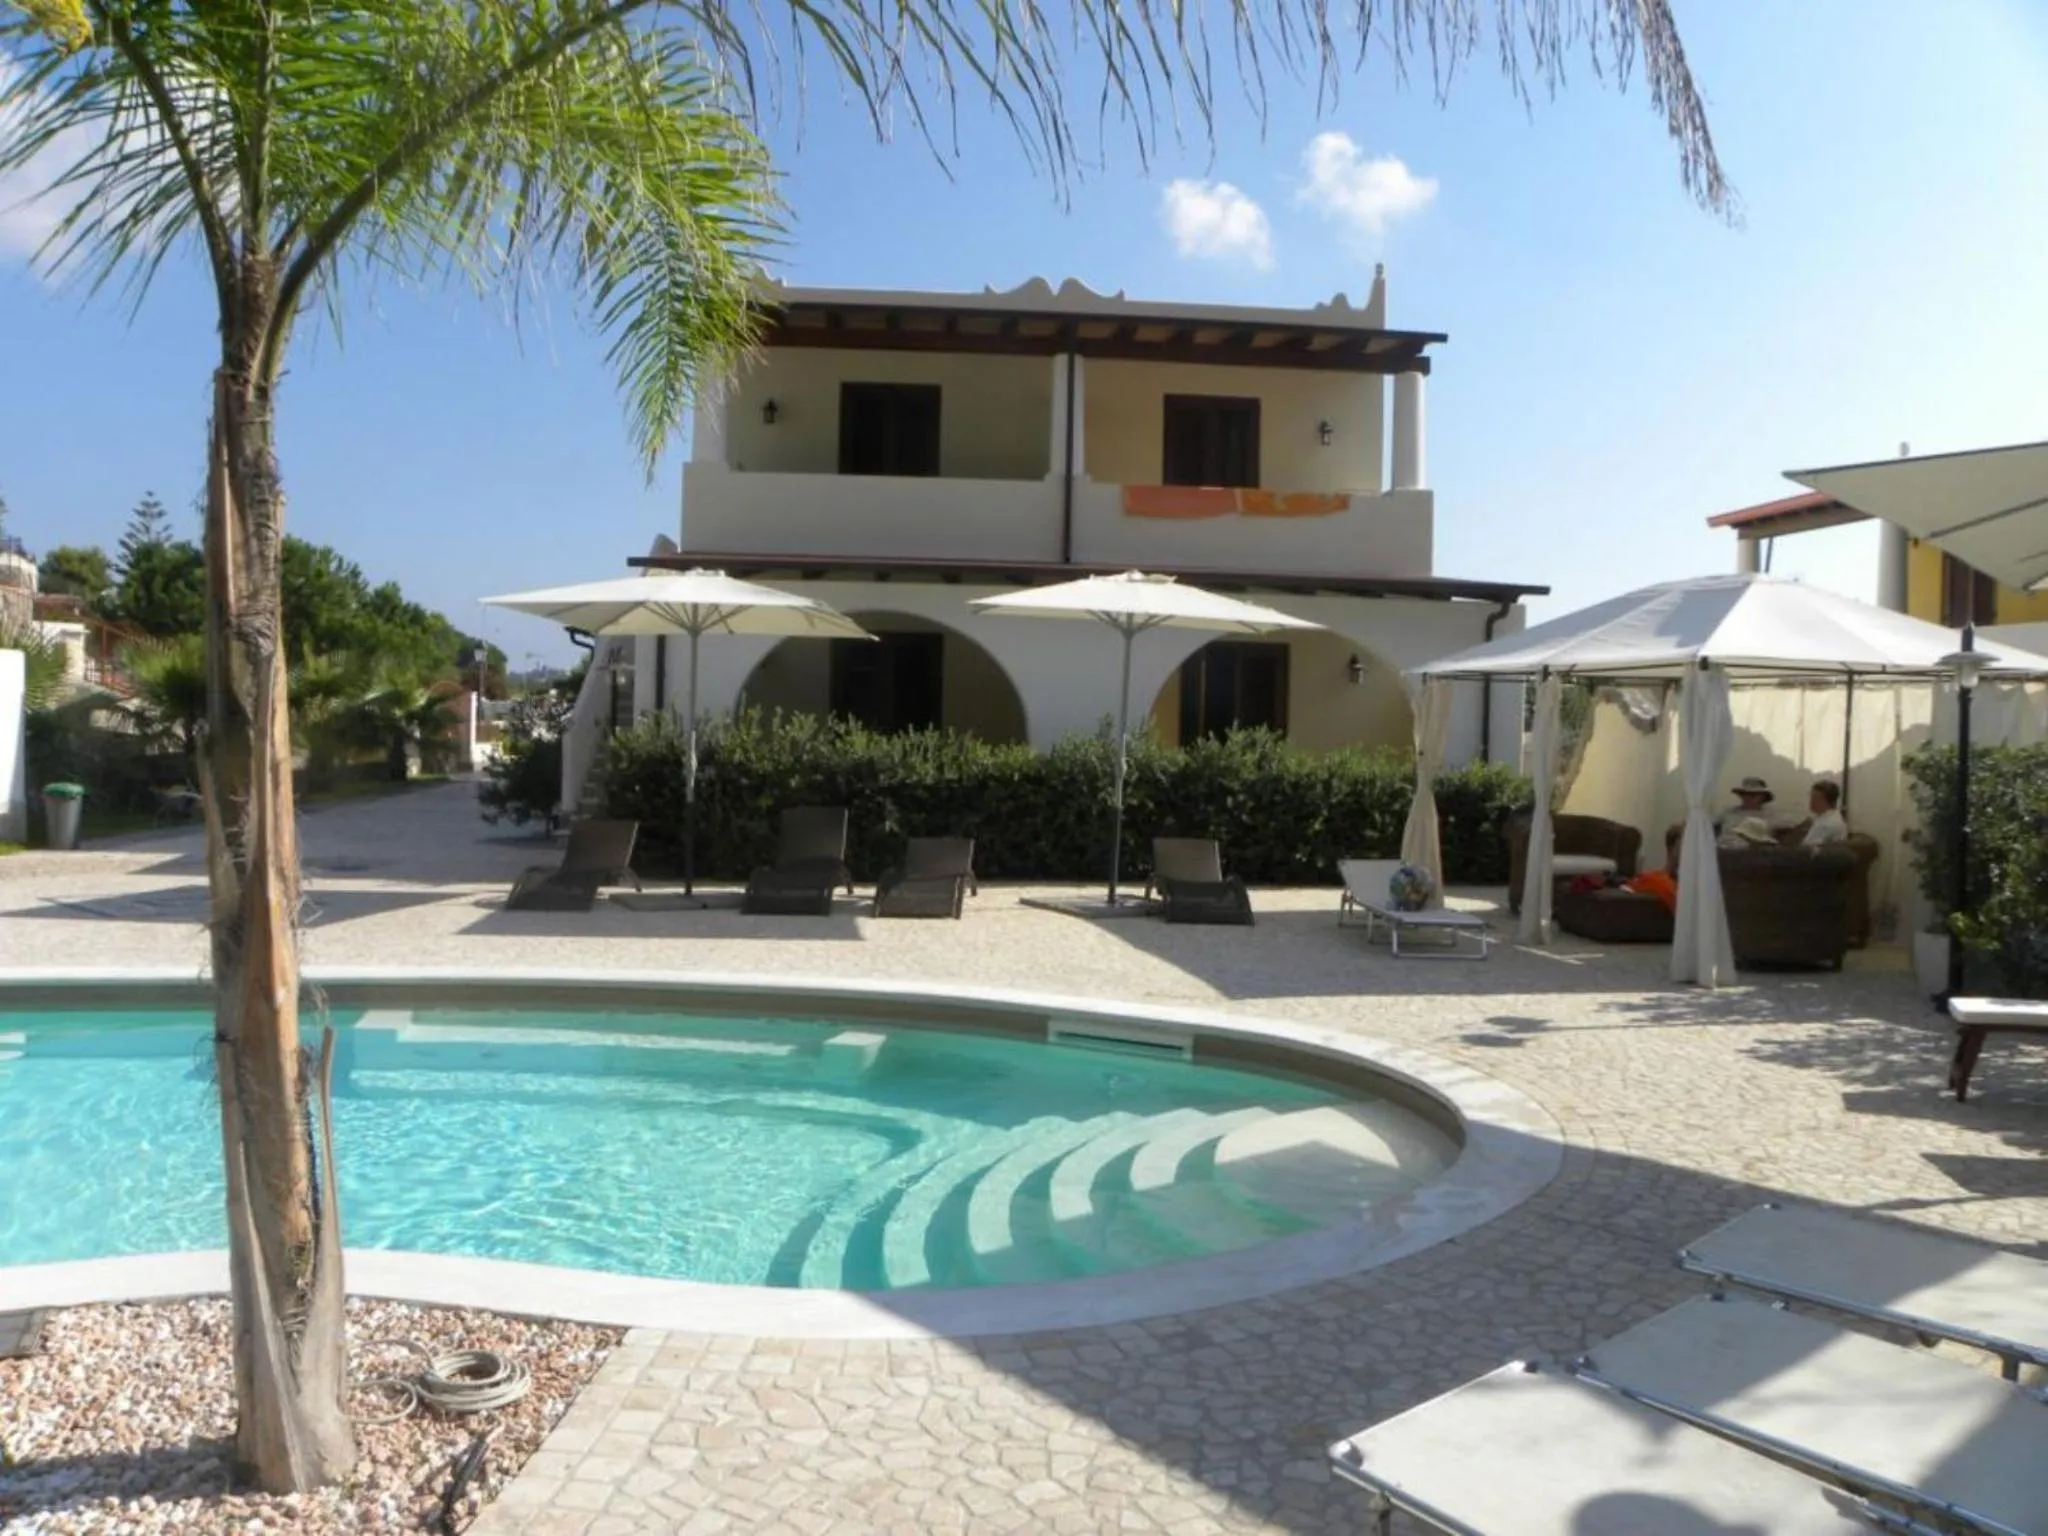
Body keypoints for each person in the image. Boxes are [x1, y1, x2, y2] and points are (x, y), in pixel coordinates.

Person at [1802, 779, 1848, 846]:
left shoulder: (1828, 824)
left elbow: (1807, 847)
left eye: (1813, 798)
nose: (1811, 801)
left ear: (1823, 800)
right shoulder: (1826, 817)